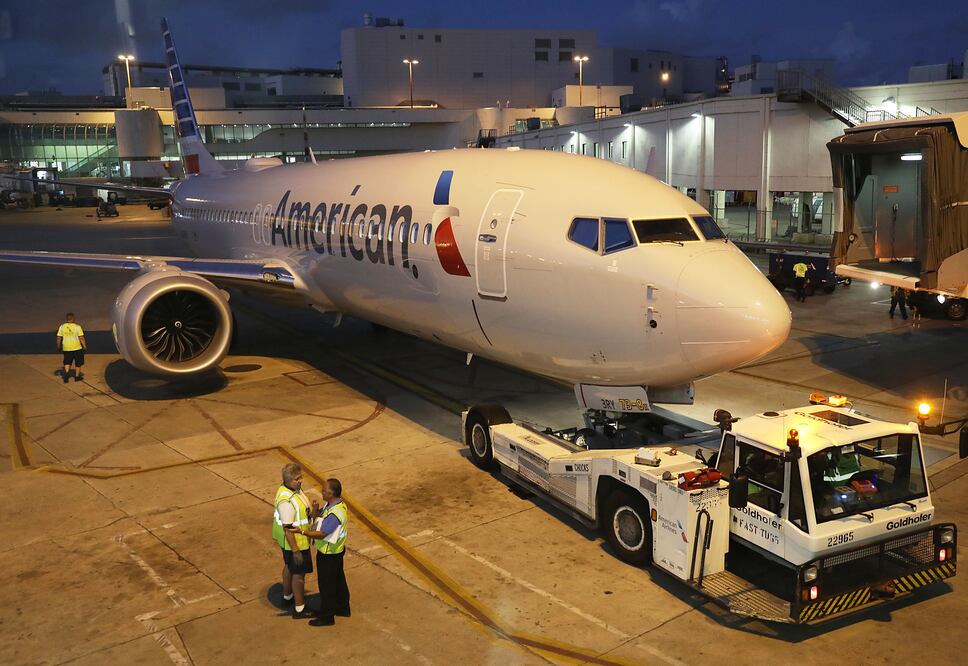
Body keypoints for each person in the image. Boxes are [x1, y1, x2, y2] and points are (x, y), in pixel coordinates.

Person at [292, 477, 349, 627]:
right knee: (338, 581)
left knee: (327, 585)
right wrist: (316, 510)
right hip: (336, 552)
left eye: (324, 491)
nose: (322, 492)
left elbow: (322, 533)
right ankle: (343, 607)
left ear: (331, 494)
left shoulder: (335, 514)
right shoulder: (335, 505)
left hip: (328, 554)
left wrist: (302, 532)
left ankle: (327, 616)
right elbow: (320, 517)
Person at [272, 463, 317, 619]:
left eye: (300, 477)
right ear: (289, 480)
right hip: (295, 542)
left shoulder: (292, 490)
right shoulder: (286, 501)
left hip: (293, 541)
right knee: (299, 573)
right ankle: (300, 607)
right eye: (297, 479)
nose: (301, 481)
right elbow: (288, 528)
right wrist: (296, 550)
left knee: (289, 567)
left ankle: (287, 596)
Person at [56, 313, 87, 383]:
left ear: (67, 319)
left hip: (66, 348)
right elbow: (81, 337)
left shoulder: (62, 327)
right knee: (78, 362)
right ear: (73, 319)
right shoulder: (77, 327)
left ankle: (67, 373)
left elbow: (58, 337)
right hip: (77, 348)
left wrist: (58, 346)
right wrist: (84, 346)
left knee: (67, 361)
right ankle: (77, 376)